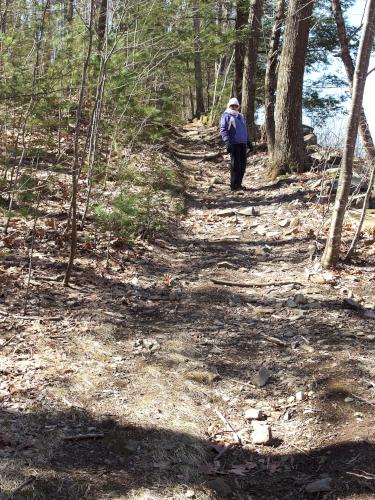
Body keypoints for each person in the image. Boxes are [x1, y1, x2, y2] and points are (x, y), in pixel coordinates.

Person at [220, 97, 253, 191]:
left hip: (243, 143)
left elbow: (244, 130)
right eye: (232, 105)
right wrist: (227, 141)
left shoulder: (240, 116)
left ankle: (239, 184)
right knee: (235, 165)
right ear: (229, 106)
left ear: (238, 107)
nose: (234, 107)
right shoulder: (226, 115)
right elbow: (223, 129)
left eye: (236, 106)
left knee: (242, 165)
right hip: (233, 143)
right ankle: (234, 185)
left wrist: (248, 142)